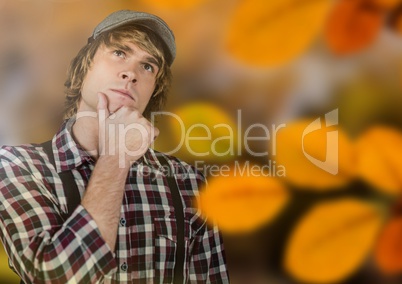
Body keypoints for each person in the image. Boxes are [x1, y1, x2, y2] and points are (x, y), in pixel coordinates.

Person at [0, 10, 229, 283]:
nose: (131, 74)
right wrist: (116, 157)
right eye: (119, 52)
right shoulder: (17, 167)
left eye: (147, 67)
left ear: (153, 90)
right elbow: (54, 277)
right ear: (84, 67)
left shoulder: (190, 183)